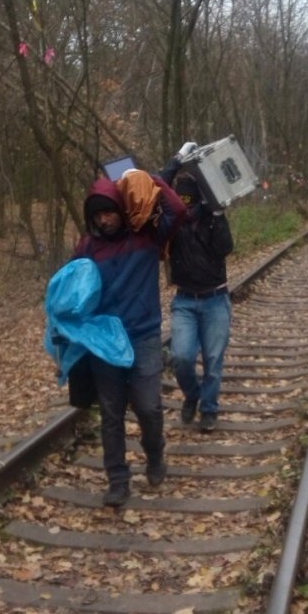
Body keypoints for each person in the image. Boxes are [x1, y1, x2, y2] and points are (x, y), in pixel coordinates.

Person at [71, 170, 186, 507]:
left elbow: (177, 210)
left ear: (122, 209)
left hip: (143, 336)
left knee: (149, 407)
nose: (104, 220)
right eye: (98, 215)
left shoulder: (147, 237)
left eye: (109, 211)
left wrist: (149, 177)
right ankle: (118, 481)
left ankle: (155, 455)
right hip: (104, 343)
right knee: (111, 413)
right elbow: (70, 289)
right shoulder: (87, 248)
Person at [162, 145, 234, 433]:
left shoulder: (212, 216)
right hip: (184, 301)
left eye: (190, 198)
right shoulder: (171, 221)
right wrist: (176, 161)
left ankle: (209, 409)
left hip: (216, 299)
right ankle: (192, 395)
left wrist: (217, 216)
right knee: (181, 357)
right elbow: (154, 189)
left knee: (214, 361)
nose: (186, 204)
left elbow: (225, 248)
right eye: (182, 199)